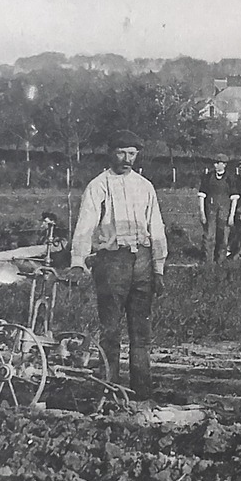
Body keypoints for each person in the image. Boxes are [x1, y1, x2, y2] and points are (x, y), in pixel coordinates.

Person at [65, 130, 168, 398]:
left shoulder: (145, 186)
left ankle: (142, 391)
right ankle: (109, 388)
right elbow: (85, 226)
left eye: (132, 153)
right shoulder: (98, 186)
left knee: (141, 332)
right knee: (110, 329)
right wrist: (78, 261)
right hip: (112, 262)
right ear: (111, 153)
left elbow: (156, 227)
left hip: (142, 261)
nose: (126, 158)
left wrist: (158, 268)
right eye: (121, 152)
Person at [195, 156, 236, 263]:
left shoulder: (230, 178)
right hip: (210, 211)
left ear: (224, 164)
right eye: (215, 163)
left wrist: (231, 216)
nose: (215, 165)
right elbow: (201, 196)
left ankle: (220, 262)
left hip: (224, 212)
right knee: (209, 236)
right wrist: (202, 213)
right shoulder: (208, 177)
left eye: (218, 163)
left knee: (223, 237)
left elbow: (234, 198)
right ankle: (207, 262)